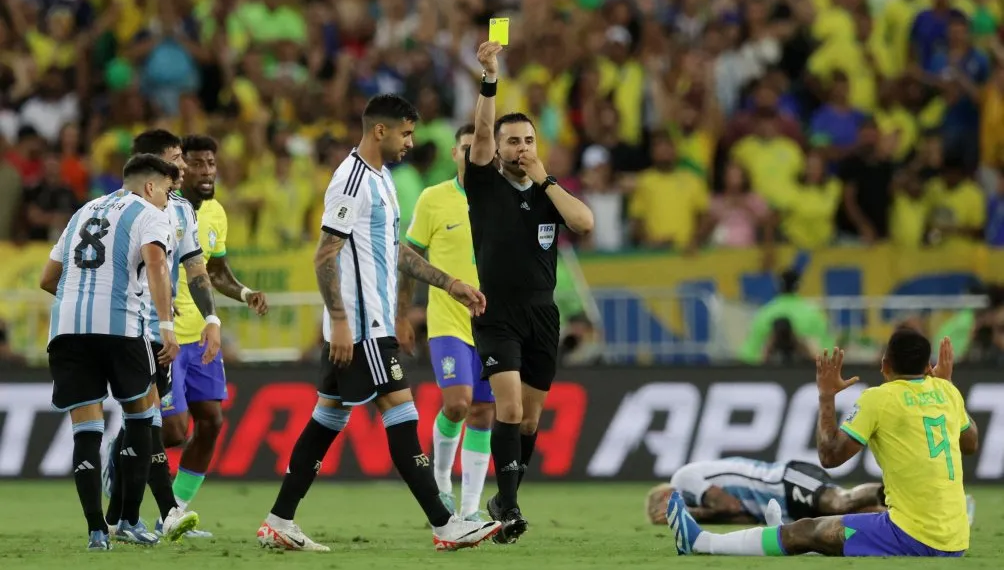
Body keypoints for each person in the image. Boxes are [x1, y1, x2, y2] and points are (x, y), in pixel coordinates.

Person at [256, 94, 501, 552]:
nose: (410, 142)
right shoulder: (351, 180)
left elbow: (394, 250)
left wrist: (449, 283)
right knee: (402, 416)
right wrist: (339, 321)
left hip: (370, 324)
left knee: (327, 419)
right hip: (362, 326)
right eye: (405, 133)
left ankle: (279, 519)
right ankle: (445, 524)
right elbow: (324, 255)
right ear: (380, 130)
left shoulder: (382, 179)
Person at [667, 332, 979, 557]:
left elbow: (830, 456)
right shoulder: (947, 392)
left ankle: (702, 543)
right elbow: (970, 444)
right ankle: (782, 537)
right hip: (955, 540)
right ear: (928, 366)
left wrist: (826, 396)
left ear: (884, 364)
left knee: (807, 530)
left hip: (913, 535)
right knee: (830, 534)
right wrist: (947, 387)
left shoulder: (879, 398)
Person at [465, 41, 594, 543]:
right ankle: (511, 509)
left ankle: (504, 498)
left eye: (528, 140)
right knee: (511, 408)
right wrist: (490, 77)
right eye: (512, 141)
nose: (521, 148)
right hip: (497, 313)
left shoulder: (547, 194)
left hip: (543, 315)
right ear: (497, 149)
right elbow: (480, 131)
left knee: (530, 419)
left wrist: (547, 180)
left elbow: (584, 223)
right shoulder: (483, 184)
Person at [37, 154, 187, 550]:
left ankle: (96, 532)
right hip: (121, 327)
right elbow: (156, 263)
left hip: (67, 329)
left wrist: (81, 300)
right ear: (150, 186)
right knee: (142, 416)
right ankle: (129, 521)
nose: (168, 199)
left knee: (86, 431)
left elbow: (47, 278)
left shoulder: (82, 212)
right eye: (167, 190)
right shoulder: (150, 213)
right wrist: (166, 326)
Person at [103, 129, 218, 541]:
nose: (183, 166)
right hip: (128, 327)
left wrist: (212, 318)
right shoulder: (116, 208)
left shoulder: (182, 210)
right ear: (152, 165)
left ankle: (119, 516)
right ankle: (166, 512)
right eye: (175, 158)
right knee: (151, 422)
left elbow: (195, 267)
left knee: (163, 429)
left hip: (159, 332)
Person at [159, 134, 269, 533]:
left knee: (211, 422)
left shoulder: (216, 212)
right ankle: (122, 453)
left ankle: (173, 511)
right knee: (173, 431)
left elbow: (215, 270)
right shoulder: (162, 210)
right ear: (180, 167)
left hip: (203, 335)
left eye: (212, 163)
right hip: (167, 335)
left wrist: (244, 292)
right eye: (198, 164)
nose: (207, 172)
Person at [405, 124, 494, 520]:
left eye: (480, 148)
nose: (472, 155)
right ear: (455, 154)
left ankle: (471, 508)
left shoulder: (505, 198)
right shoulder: (434, 198)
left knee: (484, 411)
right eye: (465, 148)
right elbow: (409, 257)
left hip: (493, 323)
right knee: (457, 404)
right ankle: (441, 481)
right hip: (448, 320)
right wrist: (402, 314)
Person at [645, 458, 886, 527]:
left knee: (841, 502)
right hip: (784, 508)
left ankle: (894, 490)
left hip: (783, 480)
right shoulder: (701, 504)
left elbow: (729, 505)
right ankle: (902, 515)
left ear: (665, 496)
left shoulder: (682, 479)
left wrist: (688, 514)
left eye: (663, 511)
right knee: (855, 515)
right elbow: (745, 517)